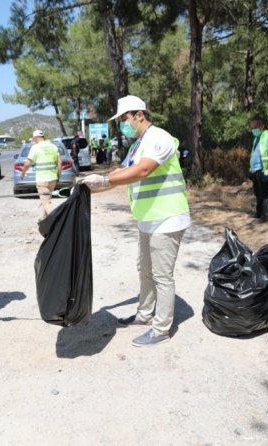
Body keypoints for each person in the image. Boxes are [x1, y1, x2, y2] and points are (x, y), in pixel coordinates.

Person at [82, 95, 191, 347]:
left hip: (167, 218)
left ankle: (161, 329)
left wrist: (106, 180)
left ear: (139, 115)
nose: (122, 124)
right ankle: (144, 315)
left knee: (162, 275)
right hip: (148, 219)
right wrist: (89, 187)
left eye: (124, 118)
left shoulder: (159, 138)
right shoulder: (137, 145)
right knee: (145, 270)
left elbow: (143, 170)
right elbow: (122, 174)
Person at [20, 129, 61, 220]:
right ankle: (44, 220)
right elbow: (59, 163)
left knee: (46, 203)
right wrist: (58, 175)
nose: (33, 140)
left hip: (42, 180)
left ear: (36, 137)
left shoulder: (35, 147)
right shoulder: (53, 146)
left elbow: (27, 164)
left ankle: (58, 220)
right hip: (53, 179)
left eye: (33, 138)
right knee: (47, 200)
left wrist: (22, 173)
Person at [247, 117, 268, 222]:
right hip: (255, 170)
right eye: (252, 128)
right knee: (257, 193)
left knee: (264, 193)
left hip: (264, 170)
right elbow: (254, 155)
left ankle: (266, 215)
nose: (253, 130)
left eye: (255, 127)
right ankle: (259, 213)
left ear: (262, 126)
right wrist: (251, 170)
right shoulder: (257, 138)